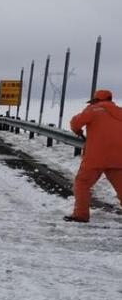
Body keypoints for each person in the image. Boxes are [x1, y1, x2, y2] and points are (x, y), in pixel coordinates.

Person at [64, 90, 122, 223]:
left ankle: (81, 214)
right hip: (118, 157)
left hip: (96, 156)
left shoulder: (93, 109)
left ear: (96, 100)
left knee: (82, 183)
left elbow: (75, 122)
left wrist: (77, 130)